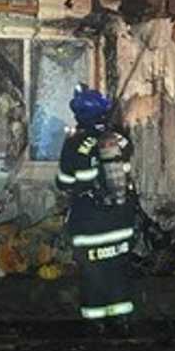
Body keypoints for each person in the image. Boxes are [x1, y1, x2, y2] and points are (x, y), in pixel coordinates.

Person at [56, 85, 137, 322]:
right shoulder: (118, 139)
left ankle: (96, 323)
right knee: (118, 272)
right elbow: (125, 154)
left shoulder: (73, 144)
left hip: (89, 225)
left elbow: (64, 183)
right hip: (120, 222)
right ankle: (121, 321)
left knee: (93, 275)